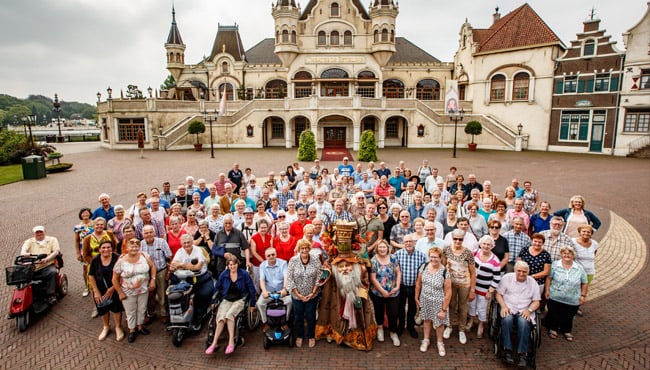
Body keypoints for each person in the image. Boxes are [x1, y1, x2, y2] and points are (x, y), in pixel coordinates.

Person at [206, 255, 256, 355]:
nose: (232, 267)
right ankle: (214, 343)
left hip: (239, 300)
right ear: (228, 265)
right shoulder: (224, 274)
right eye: (230, 265)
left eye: (234, 264)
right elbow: (217, 288)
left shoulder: (244, 274)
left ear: (238, 264)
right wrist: (212, 301)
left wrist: (253, 303)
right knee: (220, 318)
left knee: (229, 315)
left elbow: (251, 288)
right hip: (226, 300)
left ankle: (231, 342)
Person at [495, 261, 541, 367]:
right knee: (507, 319)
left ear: (528, 272)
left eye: (524, 272)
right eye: (519, 271)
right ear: (515, 270)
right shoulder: (507, 278)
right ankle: (507, 350)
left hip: (524, 309)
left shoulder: (532, 282)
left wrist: (529, 310)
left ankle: (522, 353)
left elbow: (537, 301)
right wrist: (503, 306)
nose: (521, 273)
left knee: (524, 322)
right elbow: (498, 294)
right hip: (508, 307)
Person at [112, 238, 156, 343]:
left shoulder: (145, 256)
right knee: (130, 311)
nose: (134, 248)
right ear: (127, 248)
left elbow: (153, 266)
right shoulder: (121, 260)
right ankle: (132, 330)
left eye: (136, 246)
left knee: (142, 308)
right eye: (131, 246)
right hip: (128, 291)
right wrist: (120, 292)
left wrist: (153, 280)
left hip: (143, 289)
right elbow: (114, 278)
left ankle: (140, 326)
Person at [545, 246, 588, 342]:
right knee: (554, 313)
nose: (567, 255)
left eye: (570, 253)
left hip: (573, 298)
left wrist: (583, 295)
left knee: (569, 315)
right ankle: (553, 328)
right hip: (555, 296)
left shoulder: (579, 268)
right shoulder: (555, 265)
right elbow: (549, 278)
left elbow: (584, 282)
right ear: (561, 254)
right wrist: (547, 290)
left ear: (573, 255)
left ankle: (566, 330)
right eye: (564, 253)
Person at [170, 234, 213, 328]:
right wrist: (188, 266)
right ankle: (179, 315)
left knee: (203, 294)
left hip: (201, 278)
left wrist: (181, 265)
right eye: (184, 243)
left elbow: (198, 267)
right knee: (177, 294)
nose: (186, 244)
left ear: (192, 242)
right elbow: (173, 265)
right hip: (185, 279)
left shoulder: (198, 250)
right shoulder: (180, 251)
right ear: (181, 244)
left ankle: (199, 317)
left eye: (188, 242)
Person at [415, 246, 452, 356]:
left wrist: (444, 309)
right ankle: (426, 340)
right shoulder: (424, 267)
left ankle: (440, 343)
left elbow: (448, 292)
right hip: (425, 299)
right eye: (431, 257)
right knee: (426, 320)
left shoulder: (445, 272)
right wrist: (416, 297)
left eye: (436, 257)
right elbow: (418, 284)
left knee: (439, 324)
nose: (433, 259)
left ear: (440, 258)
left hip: (439, 302)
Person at [442, 229, 476, 344]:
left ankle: (461, 329)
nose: (457, 241)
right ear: (452, 238)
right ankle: (449, 326)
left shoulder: (468, 253)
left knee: (463, 307)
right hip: (450, 284)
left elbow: (473, 272)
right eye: (455, 238)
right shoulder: (446, 250)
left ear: (463, 240)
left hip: (464, 284)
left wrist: (472, 289)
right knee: (450, 305)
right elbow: (443, 266)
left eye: (460, 239)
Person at [286, 239, 322, 348]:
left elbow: (319, 277)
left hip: (312, 295)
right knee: (298, 316)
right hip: (297, 296)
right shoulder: (293, 260)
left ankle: (311, 336)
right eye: (302, 248)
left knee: (311, 316)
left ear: (309, 249)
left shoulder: (315, 259)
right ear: (299, 249)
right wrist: (298, 294)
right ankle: (300, 336)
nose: (304, 250)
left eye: (306, 248)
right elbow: (290, 279)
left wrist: (313, 292)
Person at [88, 240, 125, 341]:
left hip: (115, 287)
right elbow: (91, 276)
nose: (106, 250)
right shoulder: (95, 260)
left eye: (108, 247)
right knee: (102, 307)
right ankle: (106, 327)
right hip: (100, 289)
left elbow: (122, 275)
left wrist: (112, 289)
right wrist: (96, 291)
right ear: (99, 249)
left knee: (116, 308)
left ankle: (118, 326)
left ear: (112, 248)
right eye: (103, 248)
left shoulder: (117, 258)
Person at [467, 236, 501, 338]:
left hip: (484, 289)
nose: (486, 246)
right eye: (484, 244)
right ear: (480, 244)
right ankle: (471, 320)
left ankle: (481, 324)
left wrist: (490, 291)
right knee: (471, 305)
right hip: (473, 286)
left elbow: (497, 278)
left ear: (492, 246)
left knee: (482, 308)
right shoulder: (474, 253)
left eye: (488, 245)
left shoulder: (495, 260)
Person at [370, 240, 401, 346]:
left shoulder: (393, 258)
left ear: (387, 248)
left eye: (384, 247)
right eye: (380, 247)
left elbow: (398, 272)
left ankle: (393, 332)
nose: (382, 249)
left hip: (393, 291)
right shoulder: (374, 260)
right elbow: (373, 278)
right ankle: (380, 328)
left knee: (393, 312)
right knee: (378, 311)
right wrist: (382, 291)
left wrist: (397, 286)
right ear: (377, 249)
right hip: (378, 292)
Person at [395, 234, 427, 339]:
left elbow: (424, 272)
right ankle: (400, 326)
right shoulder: (397, 254)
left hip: (414, 286)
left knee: (412, 308)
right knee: (400, 307)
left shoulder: (421, 255)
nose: (408, 243)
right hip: (402, 286)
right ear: (403, 243)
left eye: (410, 241)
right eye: (406, 242)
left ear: (414, 242)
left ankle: (410, 326)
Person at [139, 225, 172, 324]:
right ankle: (150, 314)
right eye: (146, 233)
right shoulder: (140, 244)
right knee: (149, 295)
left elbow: (169, 257)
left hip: (161, 271)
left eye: (150, 232)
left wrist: (168, 272)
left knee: (162, 294)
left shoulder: (161, 242)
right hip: (146, 273)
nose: (148, 234)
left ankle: (164, 313)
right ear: (142, 234)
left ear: (154, 233)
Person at [20, 226, 61, 304]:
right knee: (21, 276)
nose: (39, 234)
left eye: (41, 232)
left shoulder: (52, 240)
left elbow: (56, 251)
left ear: (45, 232)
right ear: (34, 234)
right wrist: (27, 254)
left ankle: (51, 295)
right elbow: (23, 252)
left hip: (47, 264)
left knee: (53, 272)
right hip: (33, 266)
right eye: (37, 232)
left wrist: (47, 259)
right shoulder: (29, 241)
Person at [257, 247, 292, 331]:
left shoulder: (283, 263)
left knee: (289, 301)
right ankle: (266, 322)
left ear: (276, 254)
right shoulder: (262, 266)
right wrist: (264, 291)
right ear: (266, 257)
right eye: (268, 255)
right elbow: (261, 280)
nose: (271, 257)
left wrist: (284, 289)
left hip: (281, 291)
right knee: (260, 303)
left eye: (273, 254)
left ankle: (285, 321)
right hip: (269, 292)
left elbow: (286, 277)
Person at [74, 208, 94, 297]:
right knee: (85, 269)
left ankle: (96, 285)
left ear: (90, 214)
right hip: (84, 251)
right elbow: (77, 240)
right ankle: (87, 287)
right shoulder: (78, 227)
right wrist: (78, 252)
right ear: (80, 215)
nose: (85, 215)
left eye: (87, 213)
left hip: (95, 248)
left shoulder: (94, 223)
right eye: (83, 213)